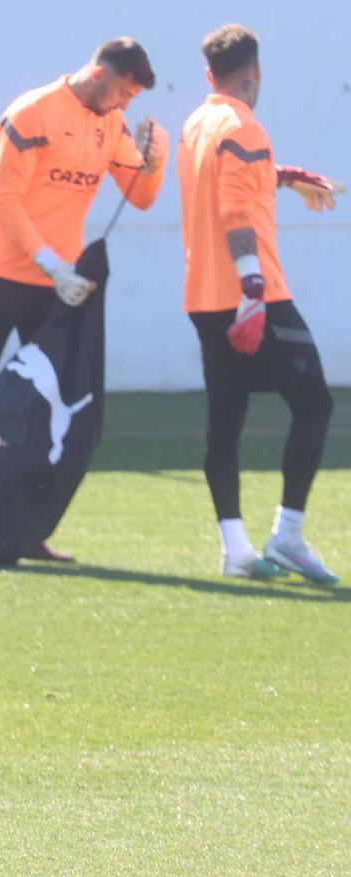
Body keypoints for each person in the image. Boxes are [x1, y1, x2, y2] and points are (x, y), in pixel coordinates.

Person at [0, 37, 167, 563]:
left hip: (57, 284)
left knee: (48, 405)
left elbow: (141, 197)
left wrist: (155, 161)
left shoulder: (110, 125)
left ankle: (25, 528)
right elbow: (5, 199)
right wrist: (51, 264)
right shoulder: (32, 112)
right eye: (125, 92)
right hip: (1, 273)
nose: (127, 105)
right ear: (101, 72)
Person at [178, 24, 339, 585]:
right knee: (315, 404)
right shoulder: (245, 125)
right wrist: (252, 292)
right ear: (256, 72)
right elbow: (234, 211)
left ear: (208, 75)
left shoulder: (198, 123)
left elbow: (232, 180)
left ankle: (236, 548)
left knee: (225, 422)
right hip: (254, 294)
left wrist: (285, 176)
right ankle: (288, 535)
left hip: (203, 297)